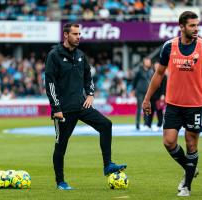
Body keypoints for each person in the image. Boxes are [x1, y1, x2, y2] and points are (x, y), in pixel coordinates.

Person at [142, 11, 202, 197]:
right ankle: (190, 169)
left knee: (191, 143)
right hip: (173, 104)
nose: (196, 29)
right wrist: (147, 99)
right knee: (168, 141)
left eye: (197, 25)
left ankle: (186, 185)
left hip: (196, 104)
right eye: (192, 25)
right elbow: (158, 74)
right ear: (182, 27)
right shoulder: (168, 46)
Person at [45, 23, 126, 190]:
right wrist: (56, 108)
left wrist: (90, 94)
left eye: (79, 33)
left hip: (81, 105)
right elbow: (50, 83)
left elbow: (88, 77)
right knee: (61, 144)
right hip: (64, 109)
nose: (78, 36)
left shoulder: (81, 55)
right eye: (75, 34)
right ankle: (60, 182)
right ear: (66, 35)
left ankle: (108, 165)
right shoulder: (54, 55)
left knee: (106, 124)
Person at [132, 57, 154, 131]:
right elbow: (134, 81)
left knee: (147, 108)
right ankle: (137, 124)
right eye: (147, 61)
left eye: (149, 61)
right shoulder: (139, 71)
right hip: (140, 92)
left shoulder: (151, 71)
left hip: (147, 92)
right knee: (139, 108)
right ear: (144, 62)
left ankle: (146, 124)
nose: (149, 63)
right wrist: (133, 90)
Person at [146, 62, 167, 131]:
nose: (156, 67)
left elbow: (164, 86)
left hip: (159, 96)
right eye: (155, 66)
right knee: (150, 111)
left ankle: (160, 124)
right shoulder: (152, 75)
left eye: (158, 66)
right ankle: (148, 125)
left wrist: (163, 94)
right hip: (152, 95)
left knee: (159, 111)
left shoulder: (164, 76)